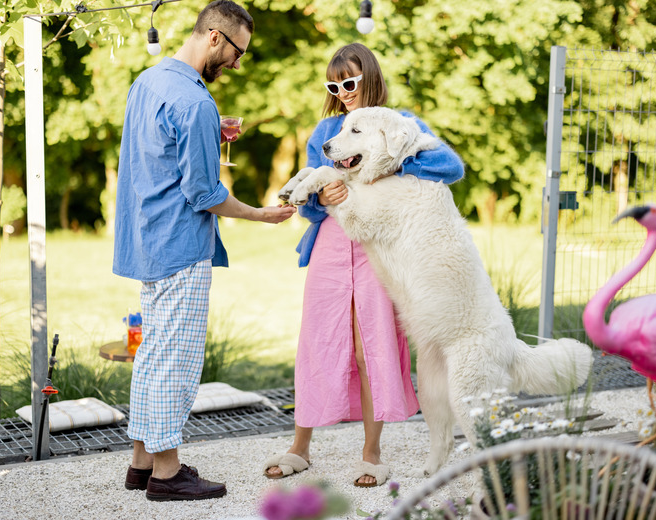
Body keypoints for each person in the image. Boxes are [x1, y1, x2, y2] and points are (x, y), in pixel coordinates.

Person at [113, 0, 296, 502]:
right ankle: (168, 476)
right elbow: (204, 193)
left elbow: (155, 152)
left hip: (148, 240)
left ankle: (141, 464)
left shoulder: (148, 82)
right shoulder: (195, 102)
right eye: (238, 51)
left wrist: (207, 135)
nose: (238, 63)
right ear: (215, 37)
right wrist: (261, 215)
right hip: (180, 246)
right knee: (176, 361)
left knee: (152, 354)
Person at [263, 43, 464, 487]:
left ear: (369, 77)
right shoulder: (327, 129)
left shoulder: (398, 123)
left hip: (379, 244)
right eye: (335, 85)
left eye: (350, 82)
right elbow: (311, 204)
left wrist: (386, 166)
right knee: (317, 341)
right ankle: (300, 447)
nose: (344, 92)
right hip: (332, 246)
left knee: (371, 343)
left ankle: (371, 453)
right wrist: (323, 196)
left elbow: (448, 166)